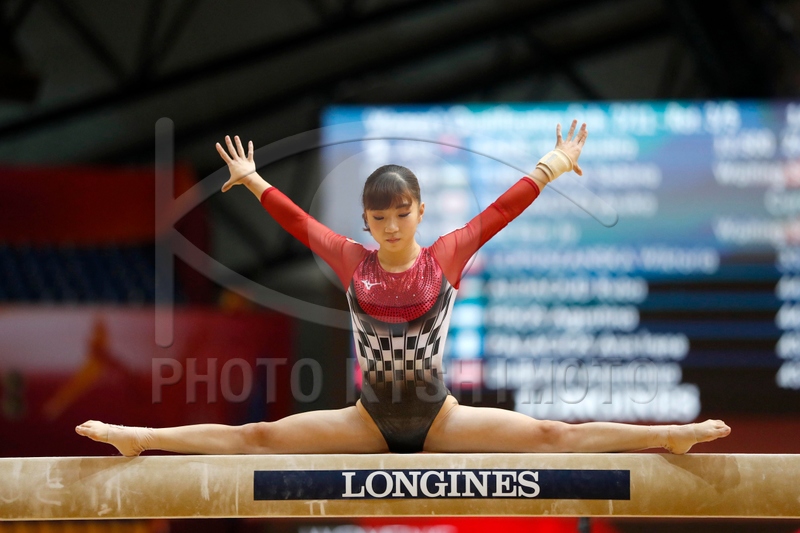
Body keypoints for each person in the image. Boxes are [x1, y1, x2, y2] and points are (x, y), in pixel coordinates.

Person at [76, 121, 730, 456]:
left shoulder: (446, 255)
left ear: (419, 211)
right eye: (378, 217)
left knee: (553, 436)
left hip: (441, 418)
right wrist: (251, 180)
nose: (389, 227)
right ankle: (140, 436)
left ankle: (666, 435)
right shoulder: (349, 258)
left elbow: (499, 212)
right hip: (368, 421)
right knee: (258, 440)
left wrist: (551, 166)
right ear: (367, 219)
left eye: (400, 214)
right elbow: (299, 222)